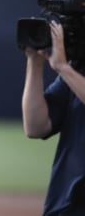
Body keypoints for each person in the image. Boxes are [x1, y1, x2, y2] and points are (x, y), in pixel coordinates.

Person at [21, 20, 85, 216]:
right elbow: (36, 127)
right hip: (67, 204)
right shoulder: (78, 69)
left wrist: (63, 68)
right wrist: (35, 61)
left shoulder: (70, 71)